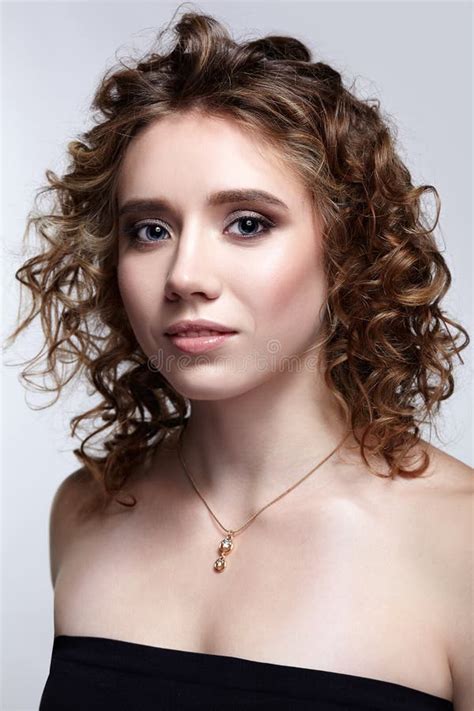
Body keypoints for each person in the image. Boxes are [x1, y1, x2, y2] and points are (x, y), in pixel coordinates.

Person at [5, 7, 472, 710]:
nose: (186, 274)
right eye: (151, 229)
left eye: (248, 223)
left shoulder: (461, 541)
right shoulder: (85, 510)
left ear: (345, 247)